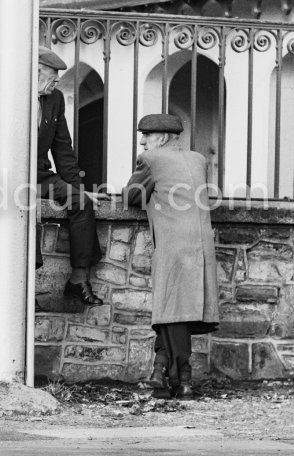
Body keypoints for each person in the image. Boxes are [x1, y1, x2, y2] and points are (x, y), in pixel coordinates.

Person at [0, 46, 109, 306]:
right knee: (22, 206)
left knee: (81, 203)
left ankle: (78, 280)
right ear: (34, 71)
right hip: (8, 177)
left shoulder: (54, 100)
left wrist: (76, 188)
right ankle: (23, 285)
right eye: (52, 76)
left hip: (41, 176)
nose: (56, 82)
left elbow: (63, 149)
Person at [123, 114, 219, 399]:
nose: (142, 141)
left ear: (162, 138)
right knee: (174, 311)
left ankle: (182, 376)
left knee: (171, 310)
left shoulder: (151, 160)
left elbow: (131, 195)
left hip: (174, 245)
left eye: (147, 136)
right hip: (201, 246)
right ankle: (163, 372)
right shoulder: (197, 159)